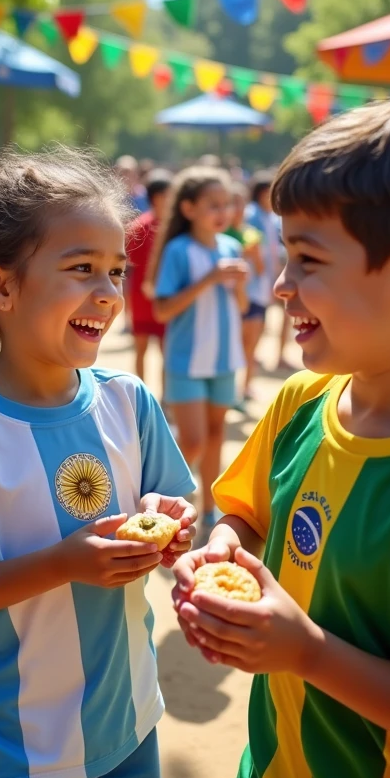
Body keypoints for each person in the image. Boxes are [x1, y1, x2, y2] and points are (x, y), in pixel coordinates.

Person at [173, 101, 390, 778]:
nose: (280, 285)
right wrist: (221, 551)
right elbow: (246, 512)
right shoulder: (300, 401)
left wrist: (305, 652)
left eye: (309, 259)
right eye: (284, 255)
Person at [0, 151, 196, 778]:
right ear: (0, 285)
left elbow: (180, 511)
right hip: (17, 751)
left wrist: (171, 522)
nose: (110, 293)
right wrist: (62, 565)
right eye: (83, 268)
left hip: (129, 724)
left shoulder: (129, 400)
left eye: (117, 270)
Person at [152, 167, 249, 531]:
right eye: (213, 204)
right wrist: (209, 279)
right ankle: (162, 498)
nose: (223, 211)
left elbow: (239, 306)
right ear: (189, 208)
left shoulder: (232, 246)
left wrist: (240, 285)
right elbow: (163, 309)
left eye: (227, 204)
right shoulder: (178, 250)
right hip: (185, 359)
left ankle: (209, 508)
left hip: (225, 360)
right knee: (191, 440)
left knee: (215, 435)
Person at [126, 168, 172, 383]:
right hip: (142, 300)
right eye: (167, 194)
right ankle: (141, 395)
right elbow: (129, 263)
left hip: (166, 299)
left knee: (167, 353)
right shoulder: (140, 227)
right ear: (156, 197)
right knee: (141, 349)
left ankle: (166, 399)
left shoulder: (175, 229)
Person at [245, 171, 289, 371]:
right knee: (254, 324)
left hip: (269, 278)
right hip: (255, 282)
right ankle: (251, 358)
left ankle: (276, 356)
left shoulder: (272, 217)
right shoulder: (251, 215)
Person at [225, 182, 265, 402]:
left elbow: (261, 269)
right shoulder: (222, 235)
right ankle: (230, 392)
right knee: (233, 348)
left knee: (250, 346)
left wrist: (254, 255)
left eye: (241, 204)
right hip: (231, 301)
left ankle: (246, 388)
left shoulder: (253, 235)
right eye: (234, 204)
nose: (238, 209)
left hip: (254, 297)